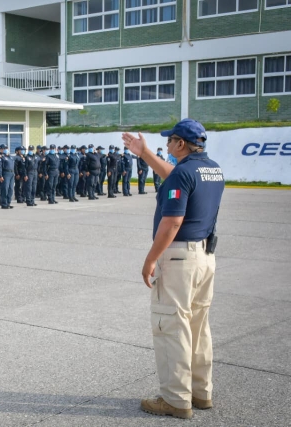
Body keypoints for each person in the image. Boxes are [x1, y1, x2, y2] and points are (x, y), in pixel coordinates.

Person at [122, 119, 224, 420]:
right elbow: (175, 174)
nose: (166, 145)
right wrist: (143, 154)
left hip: (180, 259)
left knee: (171, 327)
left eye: (170, 141)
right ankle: (200, 392)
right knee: (198, 326)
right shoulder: (212, 168)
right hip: (205, 257)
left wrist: (151, 258)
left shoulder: (183, 173)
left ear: (181, 144)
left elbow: (172, 222)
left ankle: (175, 400)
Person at [0, 144, 15, 209]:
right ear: (1, 150)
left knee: (11, 189)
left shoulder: (11, 157)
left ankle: (8, 203)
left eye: (6, 148)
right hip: (5, 173)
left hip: (12, 173)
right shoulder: (1, 157)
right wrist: (0, 175)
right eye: (4, 148)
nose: (6, 150)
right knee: (5, 189)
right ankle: (4, 203)